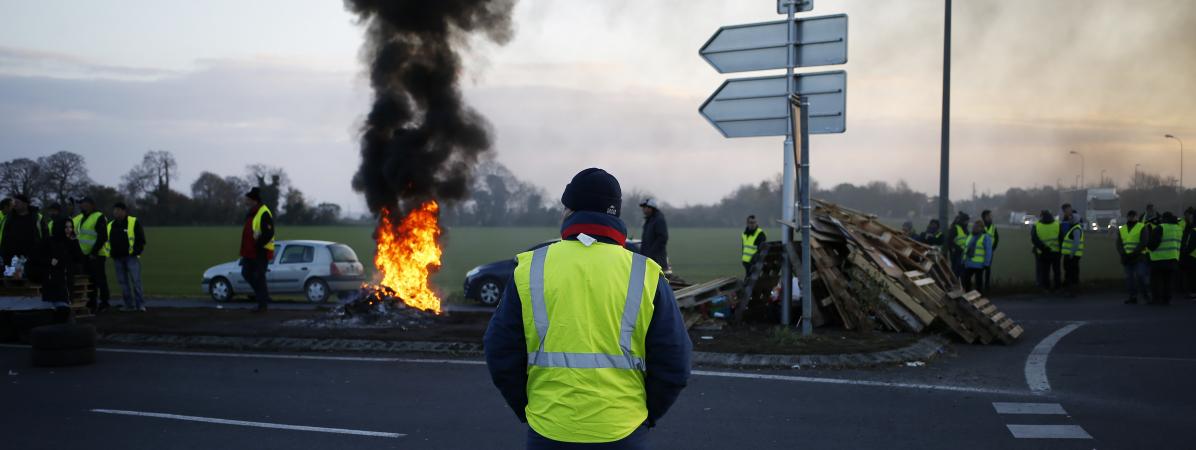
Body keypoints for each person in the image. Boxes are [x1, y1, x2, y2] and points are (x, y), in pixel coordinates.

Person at [484, 168, 691, 450]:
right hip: (624, 431)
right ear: (614, 215)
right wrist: (644, 416)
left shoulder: (531, 268)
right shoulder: (645, 273)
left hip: (549, 429)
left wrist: (528, 409)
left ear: (569, 211)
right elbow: (674, 361)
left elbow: (499, 349)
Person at [39, 218, 83, 322]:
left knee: (65, 307)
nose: (69, 230)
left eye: (70, 227)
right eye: (66, 227)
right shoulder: (50, 241)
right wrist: (50, 261)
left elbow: (79, 258)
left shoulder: (72, 242)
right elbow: (39, 257)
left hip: (67, 278)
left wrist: (75, 243)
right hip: (53, 279)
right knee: (57, 307)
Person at [106, 202, 147, 312]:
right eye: (115, 210)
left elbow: (141, 239)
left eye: (118, 210)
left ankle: (140, 305)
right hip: (117, 258)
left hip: (131, 258)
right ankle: (129, 305)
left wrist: (136, 252)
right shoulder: (110, 225)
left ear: (124, 211)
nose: (116, 212)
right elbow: (107, 242)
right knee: (123, 283)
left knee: (136, 282)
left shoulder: (133, 222)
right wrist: (111, 253)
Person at [73, 197, 110, 313]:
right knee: (90, 281)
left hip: (97, 254)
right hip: (85, 255)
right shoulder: (83, 217)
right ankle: (91, 303)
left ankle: (104, 303)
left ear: (91, 205)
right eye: (81, 204)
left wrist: (93, 252)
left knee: (100, 279)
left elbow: (102, 236)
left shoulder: (98, 216)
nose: (82, 206)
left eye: (84, 204)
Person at [241, 187, 275, 312]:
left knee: (259, 276)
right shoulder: (252, 212)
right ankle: (263, 297)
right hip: (248, 251)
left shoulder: (263, 212)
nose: (246, 201)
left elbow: (269, 232)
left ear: (254, 200)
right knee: (246, 273)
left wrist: (258, 245)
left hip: (260, 251)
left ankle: (262, 304)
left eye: (248, 199)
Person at [1146, 212, 1182, 305]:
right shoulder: (1178, 228)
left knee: (1156, 280)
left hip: (1158, 259)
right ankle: (1167, 299)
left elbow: (1153, 243)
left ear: (1164, 218)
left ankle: (1156, 299)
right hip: (1173, 258)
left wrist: (1148, 246)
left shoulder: (1161, 227)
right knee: (1168, 280)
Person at [1116, 210, 1151, 304]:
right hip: (1127, 258)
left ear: (1136, 217)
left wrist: (1133, 253)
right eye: (1130, 216)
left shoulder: (1142, 227)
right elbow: (1119, 243)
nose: (1131, 218)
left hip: (1139, 257)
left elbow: (1144, 242)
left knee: (1140, 276)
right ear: (1127, 217)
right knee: (1129, 278)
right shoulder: (1122, 229)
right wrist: (1123, 253)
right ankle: (1133, 297)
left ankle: (1146, 295)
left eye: (1133, 216)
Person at [0, 194, 43, 268]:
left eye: (17, 202)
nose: (14, 204)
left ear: (25, 204)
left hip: (33, 258)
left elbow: (44, 236)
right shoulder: (8, 218)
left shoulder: (37, 217)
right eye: (14, 202)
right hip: (12, 259)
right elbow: (4, 238)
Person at [1031, 210, 1061, 293]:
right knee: (1056, 271)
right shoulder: (1057, 224)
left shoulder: (1036, 225)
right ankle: (1057, 288)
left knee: (1045, 271)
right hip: (1056, 251)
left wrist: (1043, 247)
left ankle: (1045, 288)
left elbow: (1034, 239)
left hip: (1043, 252)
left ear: (1041, 216)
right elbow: (1061, 237)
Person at [961, 220, 993, 293]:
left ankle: (979, 295)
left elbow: (988, 251)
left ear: (981, 228)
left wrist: (986, 263)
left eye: (976, 227)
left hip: (979, 264)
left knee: (978, 282)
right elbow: (966, 248)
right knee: (966, 280)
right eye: (974, 226)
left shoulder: (985, 237)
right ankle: (968, 294)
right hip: (969, 263)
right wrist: (963, 260)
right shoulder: (970, 236)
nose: (974, 228)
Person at [639, 198, 669, 273]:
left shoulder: (658, 219)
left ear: (651, 208)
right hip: (649, 258)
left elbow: (662, 238)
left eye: (645, 207)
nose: (643, 210)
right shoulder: (649, 220)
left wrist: (651, 253)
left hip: (657, 260)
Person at [1060, 212, 1085, 297]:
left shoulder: (1076, 229)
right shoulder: (1074, 228)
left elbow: (1076, 242)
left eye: (1071, 218)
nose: (1069, 220)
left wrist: (1071, 253)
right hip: (1072, 255)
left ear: (1074, 219)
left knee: (1071, 273)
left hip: (1072, 255)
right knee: (1071, 272)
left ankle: (1072, 291)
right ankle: (1071, 290)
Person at [980, 210, 999, 292]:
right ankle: (979, 287)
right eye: (989, 216)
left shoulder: (993, 227)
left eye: (991, 216)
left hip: (989, 252)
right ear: (984, 217)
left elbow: (997, 238)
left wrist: (992, 249)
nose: (991, 217)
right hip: (980, 252)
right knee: (980, 270)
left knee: (988, 269)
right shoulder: (980, 226)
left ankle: (987, 287)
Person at [949, 212, 971, 277]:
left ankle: (959, 285)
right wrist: (957, 248)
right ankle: (954, 284)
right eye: (966, 221)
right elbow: (950, 241)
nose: (967, 222)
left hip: (964, 254)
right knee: (955, 272)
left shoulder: (966, 229)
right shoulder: (955, 228)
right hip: (956, 253)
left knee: (962, 272)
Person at [1181, 208, 1196, 300]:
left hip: (1192, 255)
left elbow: (1192, 243)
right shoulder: (1190, 226)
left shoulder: (1193, 228)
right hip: (1192, 254)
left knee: (1192, 275)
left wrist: (1185, 252)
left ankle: (1193, 292)